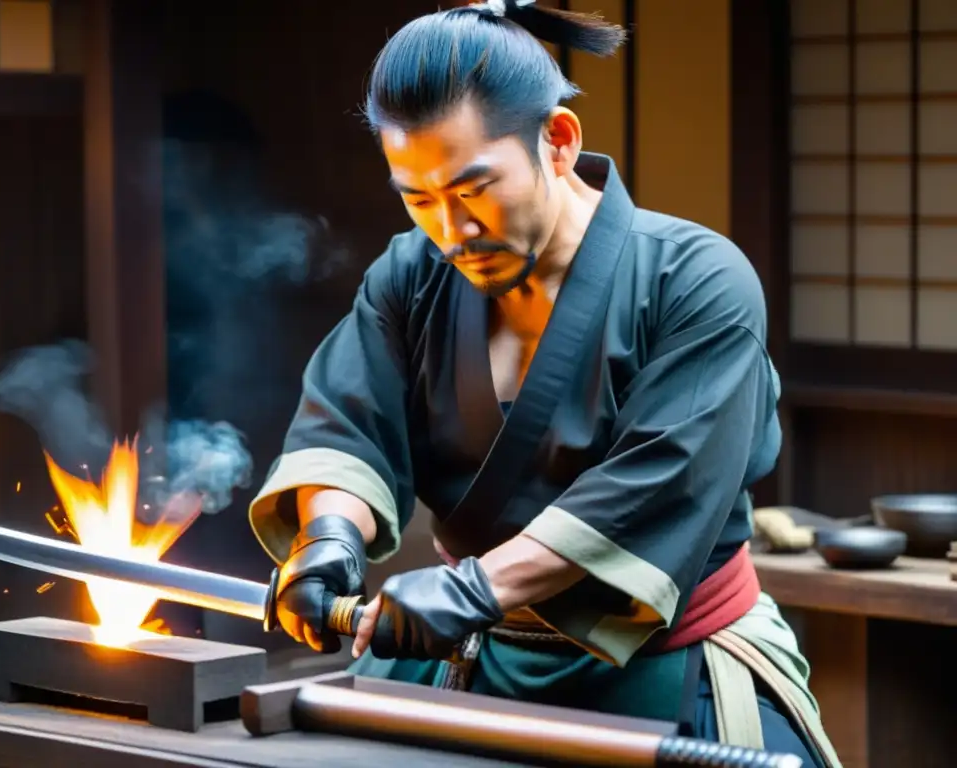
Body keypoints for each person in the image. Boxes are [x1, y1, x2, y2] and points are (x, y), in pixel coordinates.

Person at [248, 3, 841, 767]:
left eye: (472, 189)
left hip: (662, 665)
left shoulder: (697, 282)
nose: (450, 231)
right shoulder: (408, 276)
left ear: (557, 141)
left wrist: (472, 590)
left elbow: (656, 485)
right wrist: (330, 535)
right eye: (418, 198)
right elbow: (347, 423)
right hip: (464, 657)